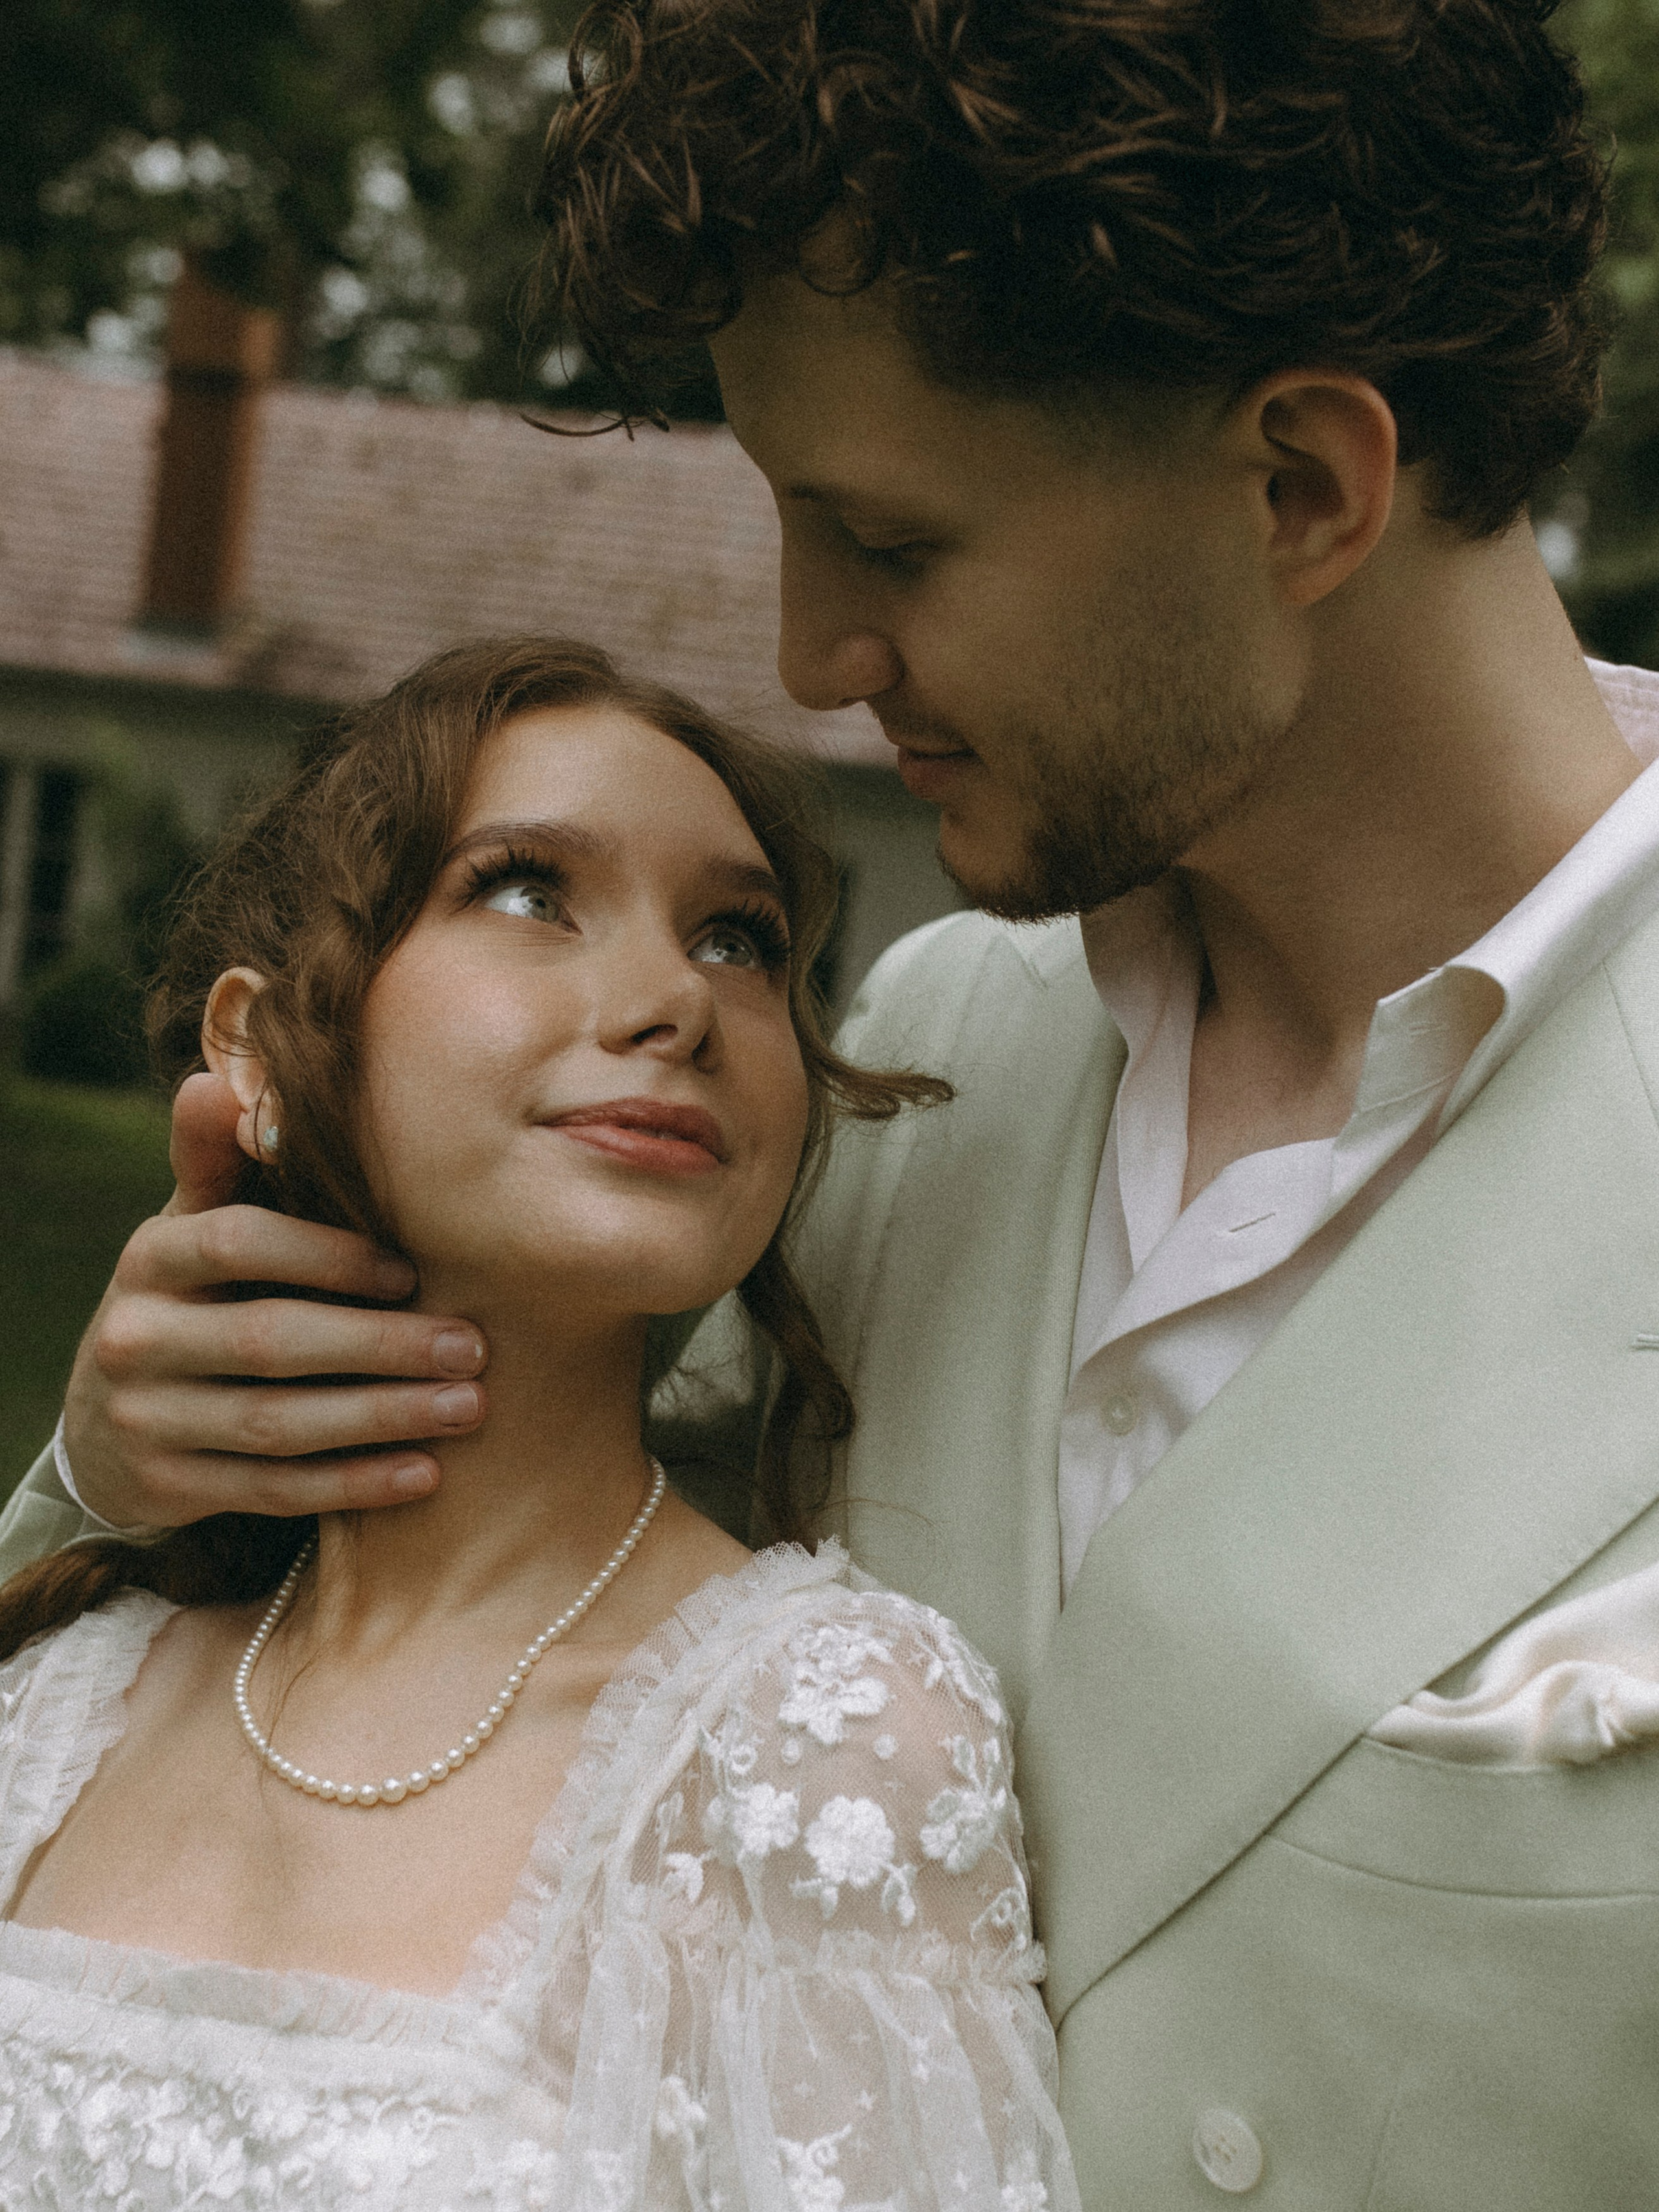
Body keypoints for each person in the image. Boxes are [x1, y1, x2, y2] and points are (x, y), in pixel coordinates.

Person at [5, 0, 1659, 2202]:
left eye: (890, 541)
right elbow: (428, 1585)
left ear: (1302, 488)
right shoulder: (924, 1062)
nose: (810, 654)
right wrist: (137, 1442)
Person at [0, 638, 1080, 2212]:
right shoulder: (51, 1707)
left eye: (739, 939)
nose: (672, 1004)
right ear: (259, 1041)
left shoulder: (817, 1743)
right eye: (526, 892)